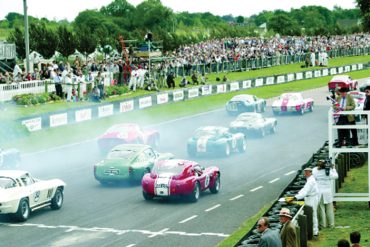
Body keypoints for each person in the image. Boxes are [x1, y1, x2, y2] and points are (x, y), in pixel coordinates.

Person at [288, 167, 319, 238]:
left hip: (311, 198)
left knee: (313, 214)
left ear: (310, 172)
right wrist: (297, 195)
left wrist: (295, 197)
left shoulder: (310, 181)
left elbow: (305, 191)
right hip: (310, 197)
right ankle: (313, 231)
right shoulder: (309, 180)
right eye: (305, 172)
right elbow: (304, 189)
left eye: (307, 172)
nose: (305, 173)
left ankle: (315, 232)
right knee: (312, 214)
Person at [312, 159, 338, 229]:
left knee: (321, 209)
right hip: (328, 192)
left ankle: (322, 225)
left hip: (319, 192)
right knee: (329, 209)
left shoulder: (315, 170)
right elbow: (336, 176)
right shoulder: (329, 172)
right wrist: (333, 169)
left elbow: (313, 175)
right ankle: (331, 224)